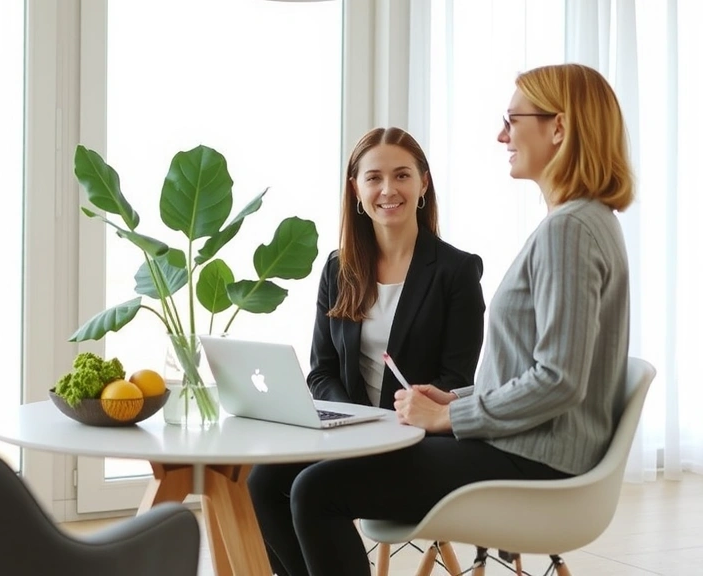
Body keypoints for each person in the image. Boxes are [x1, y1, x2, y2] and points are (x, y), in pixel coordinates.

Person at [264, 63, 635, 576]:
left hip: (537, 459)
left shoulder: (569, 229)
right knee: (273, 480)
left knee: (315, 490)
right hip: (531, 445)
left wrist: (449, 417)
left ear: (559, 128)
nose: (501, 134)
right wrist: (456, 398)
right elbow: (537, 373)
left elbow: (559, 381)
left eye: (513, 119)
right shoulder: (583, 220)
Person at [248, 126, 487, 576]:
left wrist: (393, 418)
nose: (388, 189)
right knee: (262, 482)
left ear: (423, 183)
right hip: (350, 432)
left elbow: (457, 380)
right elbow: (319, 373)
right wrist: (355, 419)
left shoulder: (456, 271)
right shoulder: (339, 268)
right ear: (355, 188)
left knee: (311, 490)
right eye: (373, 177)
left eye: (401, 175)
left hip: (415, 437)